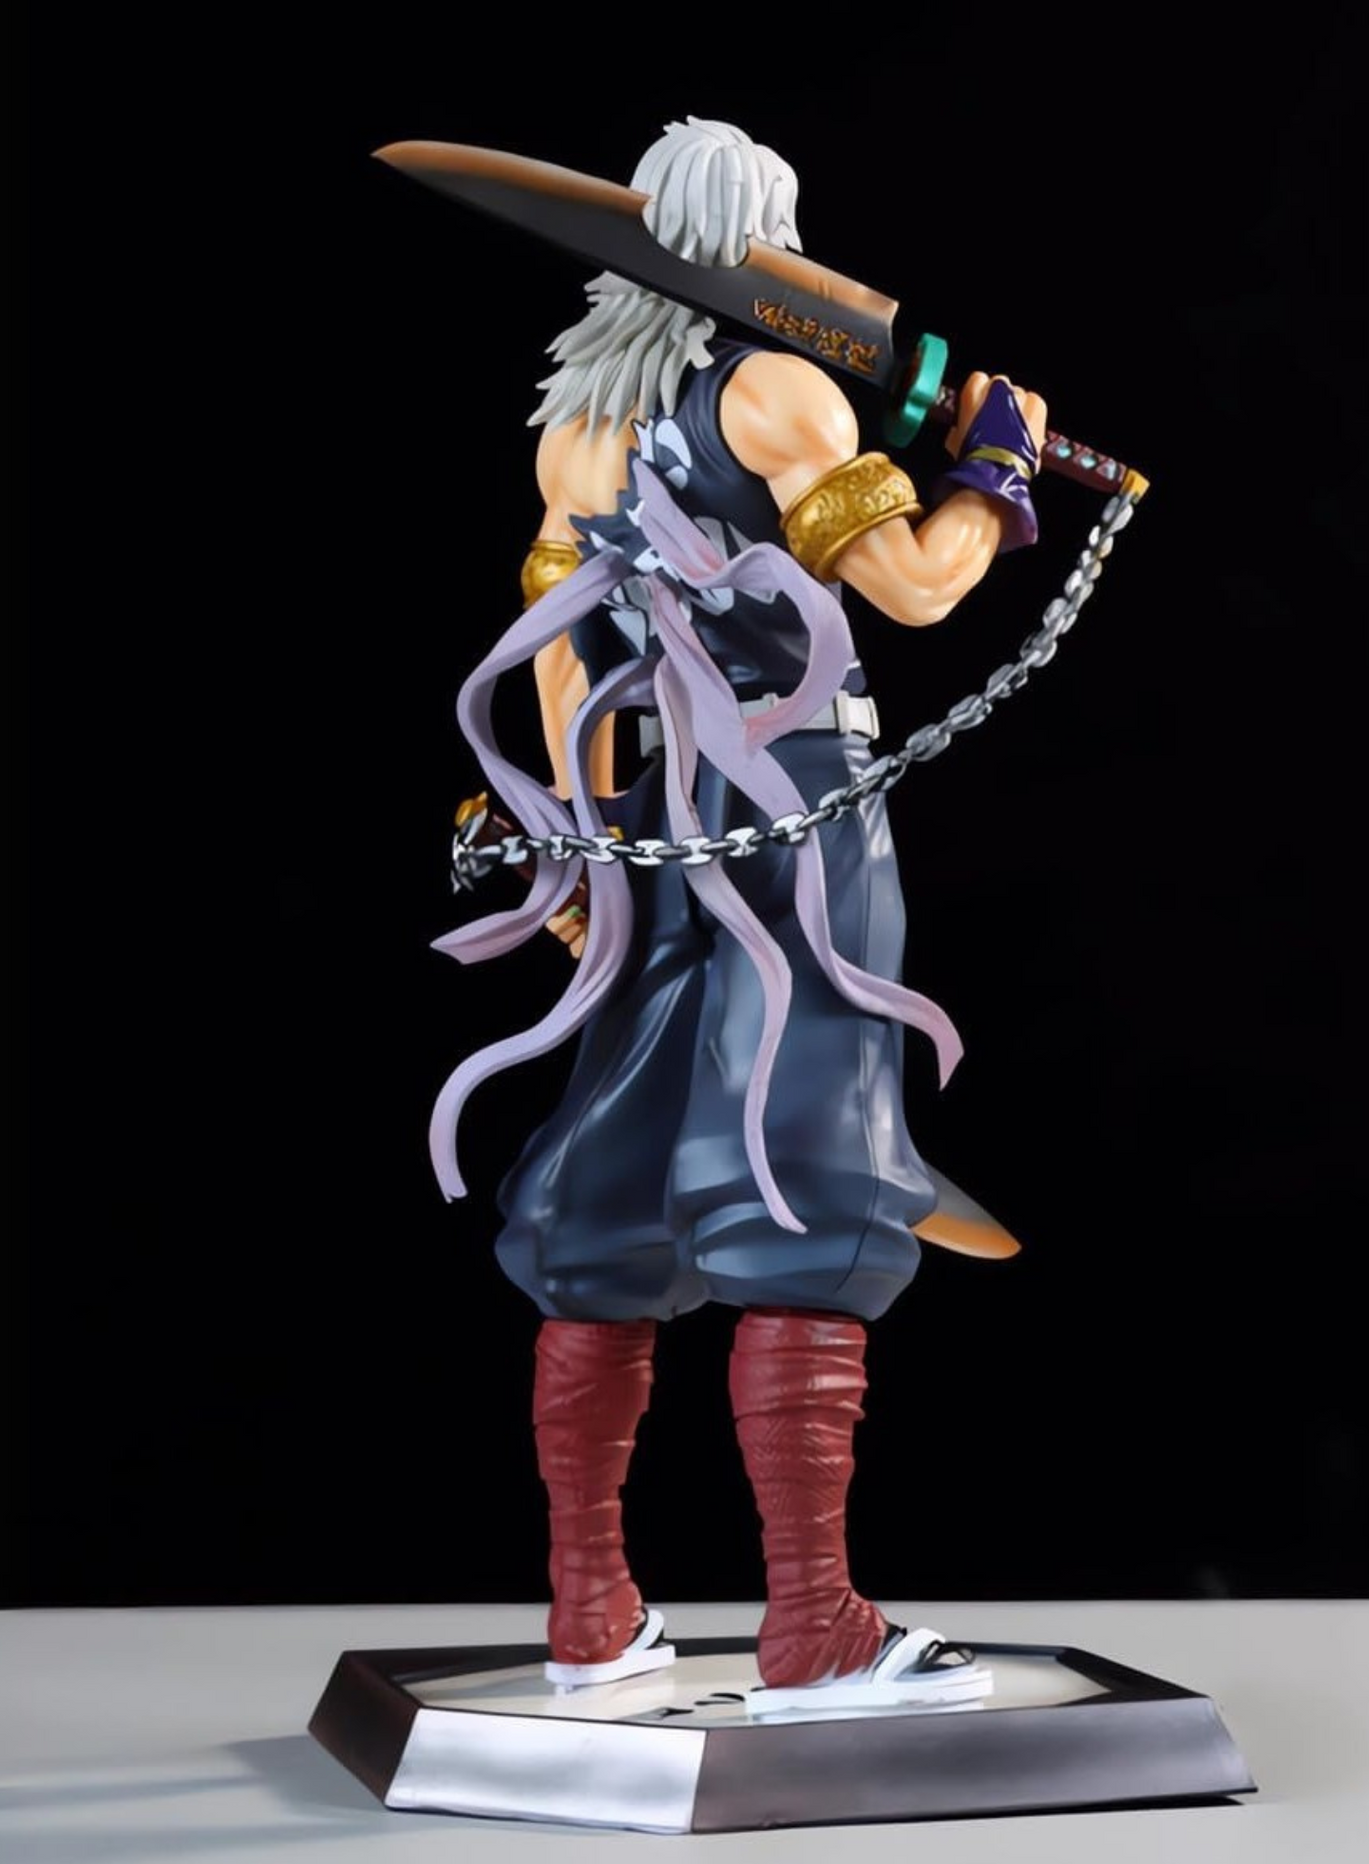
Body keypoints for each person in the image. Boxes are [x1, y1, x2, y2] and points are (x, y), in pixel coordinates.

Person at [429, 117, 1046, 1714]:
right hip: (799, 814)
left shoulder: (579, 433)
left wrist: (583, 841)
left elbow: (559, 656)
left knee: (611, 1179)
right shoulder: (781, 394)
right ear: (759, 244)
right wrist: (995, 469)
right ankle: (812, 1626)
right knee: (808, 1161)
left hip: (653, 821)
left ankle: (589, 1614)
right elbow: (915, 588)